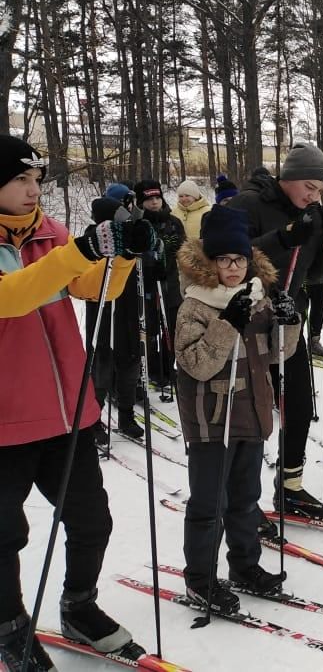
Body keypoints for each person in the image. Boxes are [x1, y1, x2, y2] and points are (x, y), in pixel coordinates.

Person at [0, 134, 151, 670]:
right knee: (5, 535)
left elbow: (96, 288)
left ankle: (79, 606)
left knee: (91, 521)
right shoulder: (54, 243)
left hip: (69, 412)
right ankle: (10, 628)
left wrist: (125, 255)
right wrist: (78, 252)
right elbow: (11, 297)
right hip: (7, 422)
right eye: (20, 179)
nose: (31, 189)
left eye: (36, 179)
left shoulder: (51, 232)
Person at [174, 205, 300, 613]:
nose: (234, 267)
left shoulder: (257, 299)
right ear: (210, 261)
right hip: (212, 421)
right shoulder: (195, 305)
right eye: (225, 259)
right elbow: (197, 364)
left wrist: (289, 320)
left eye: (240, 259)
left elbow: (279, 354)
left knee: (246, 499)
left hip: (252, 414)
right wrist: (227, 323)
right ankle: (200, 579)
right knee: (209, 503)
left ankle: (245, 566)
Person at [225, 142, 323, 519]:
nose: (313, 196)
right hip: (247, 326)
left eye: (320, 191)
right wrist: (284, 237)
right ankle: (241, 500)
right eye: (308, 186)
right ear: (288, 177)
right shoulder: (249, 205)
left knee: (299, 407)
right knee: (252, 416)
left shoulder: (311, 213)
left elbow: (318, 274)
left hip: (287, 324)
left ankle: (290, 488)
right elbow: (228, 258)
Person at [85, 183, 148, 443]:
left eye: (132, 202)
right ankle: (93, 419)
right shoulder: (93, 232)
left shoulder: (136, 230)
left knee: (130, 358)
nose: (131, 207)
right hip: (102, 307)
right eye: (126, 203)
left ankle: (126, 415)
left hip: (129, 306)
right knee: (102, 362)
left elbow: (151, 261)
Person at [134, 180, 185, 388]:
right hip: (145, 286)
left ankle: (166, 367)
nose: (154, 203)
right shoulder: (137, 223)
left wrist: (172, 251)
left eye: (157, 198)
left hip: (170, 284)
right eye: (149, 199)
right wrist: (149, 263)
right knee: (148, 330)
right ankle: (148, 368)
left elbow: (183, 248)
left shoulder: (173, 222)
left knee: (170, 329)